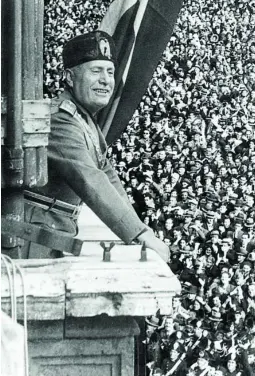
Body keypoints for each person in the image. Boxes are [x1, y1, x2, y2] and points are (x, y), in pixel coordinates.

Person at [23, 30, 169, 262]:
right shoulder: (60, 119)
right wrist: (138, 234)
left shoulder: (84, 119)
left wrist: (140, 229)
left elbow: (106, 174)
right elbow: (90, 178)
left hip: (51, 232)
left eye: (110, 72)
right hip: (31, 238)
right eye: (96, 71)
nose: (105, 80)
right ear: (69, 78)